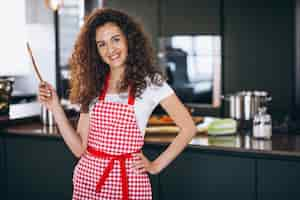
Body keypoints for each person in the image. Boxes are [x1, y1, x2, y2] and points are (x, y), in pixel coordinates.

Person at [38, 8, 197, 200]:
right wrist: (55, 107)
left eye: (115, 39)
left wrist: (155, 166)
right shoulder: (93, 84)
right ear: (95, 50)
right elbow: (80, 149)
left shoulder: (151, 83)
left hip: (127, 184)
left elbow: (188, 128)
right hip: (87, 181)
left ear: (128, 39)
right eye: (101, 44)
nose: (110, 49)